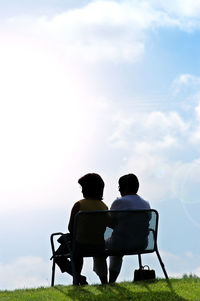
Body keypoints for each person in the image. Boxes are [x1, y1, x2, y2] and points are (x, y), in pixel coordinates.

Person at [55, 173, 108, 285]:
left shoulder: (79, 205)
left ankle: (78, 277)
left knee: (58, 255)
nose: (81, 190)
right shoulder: (104, 207)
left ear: (88, 188)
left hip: (81, 245)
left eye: (83, 187)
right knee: (77, 245)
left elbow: (71, 228)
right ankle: (86, 279)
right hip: (99, 245)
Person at [108, 173, 151, 283]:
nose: (119, 190)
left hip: (121, 243)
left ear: (124, 187)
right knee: (117, 243)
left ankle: (107, 280)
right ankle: (110, 282)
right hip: (141, 243)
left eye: (119, 187)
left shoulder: (119, 202)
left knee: (99, 246)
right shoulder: (146, 204)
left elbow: (109, 222)